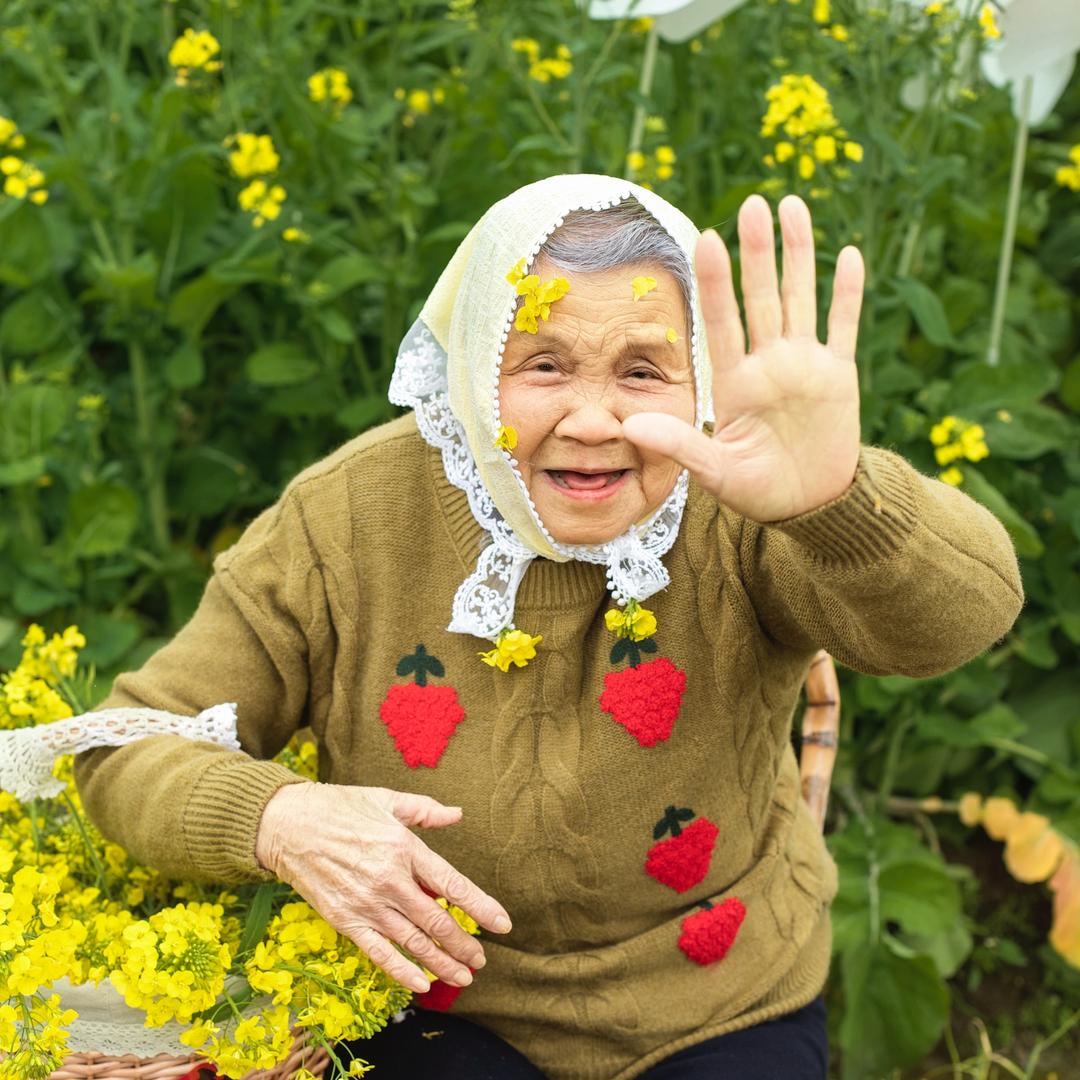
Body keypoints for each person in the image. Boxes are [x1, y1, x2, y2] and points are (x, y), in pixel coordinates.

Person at [72, 173, 1024, 1079]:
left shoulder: (741, 493)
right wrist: (277, 818)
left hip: (723, 990)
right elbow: (122, 748)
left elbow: (967, 620)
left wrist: (834, 498)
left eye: (645, 370)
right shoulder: (346, 520)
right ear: (478, 364)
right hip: (444, 1003)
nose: (595, 419)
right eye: (544, 365)